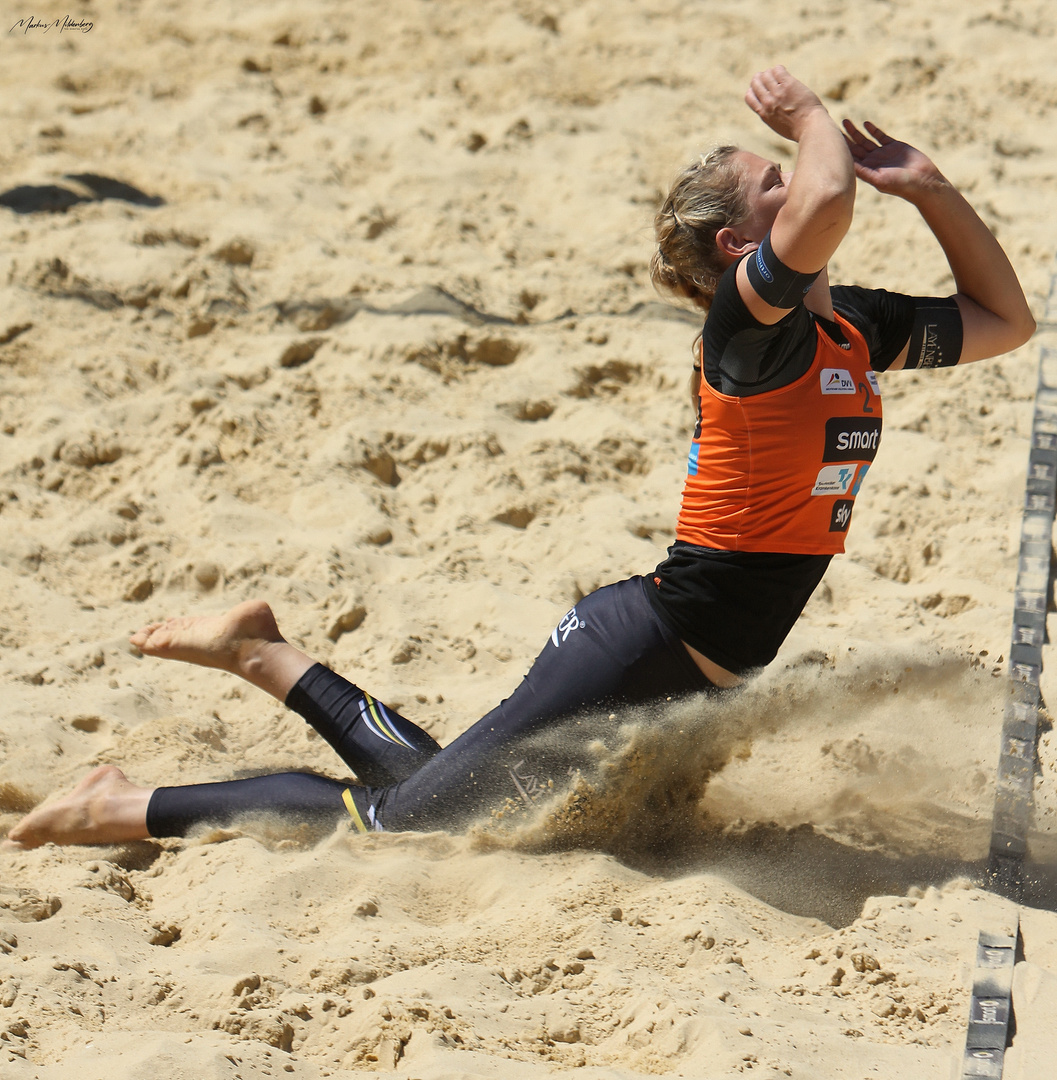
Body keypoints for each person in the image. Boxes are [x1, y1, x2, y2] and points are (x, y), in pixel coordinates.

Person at [4, 66, 1035, 851]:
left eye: (786, 168)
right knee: (404, 826)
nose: (802, 174)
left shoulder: (851, 327)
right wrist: (812, 121)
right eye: (772, 180)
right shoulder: (747, 331)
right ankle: (126, 804)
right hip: (643, 644)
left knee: (452, 792)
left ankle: (261, 651)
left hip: (689, 656)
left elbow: (1003, 319)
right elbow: (822, 208)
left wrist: (934, 190)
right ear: (737, 247)